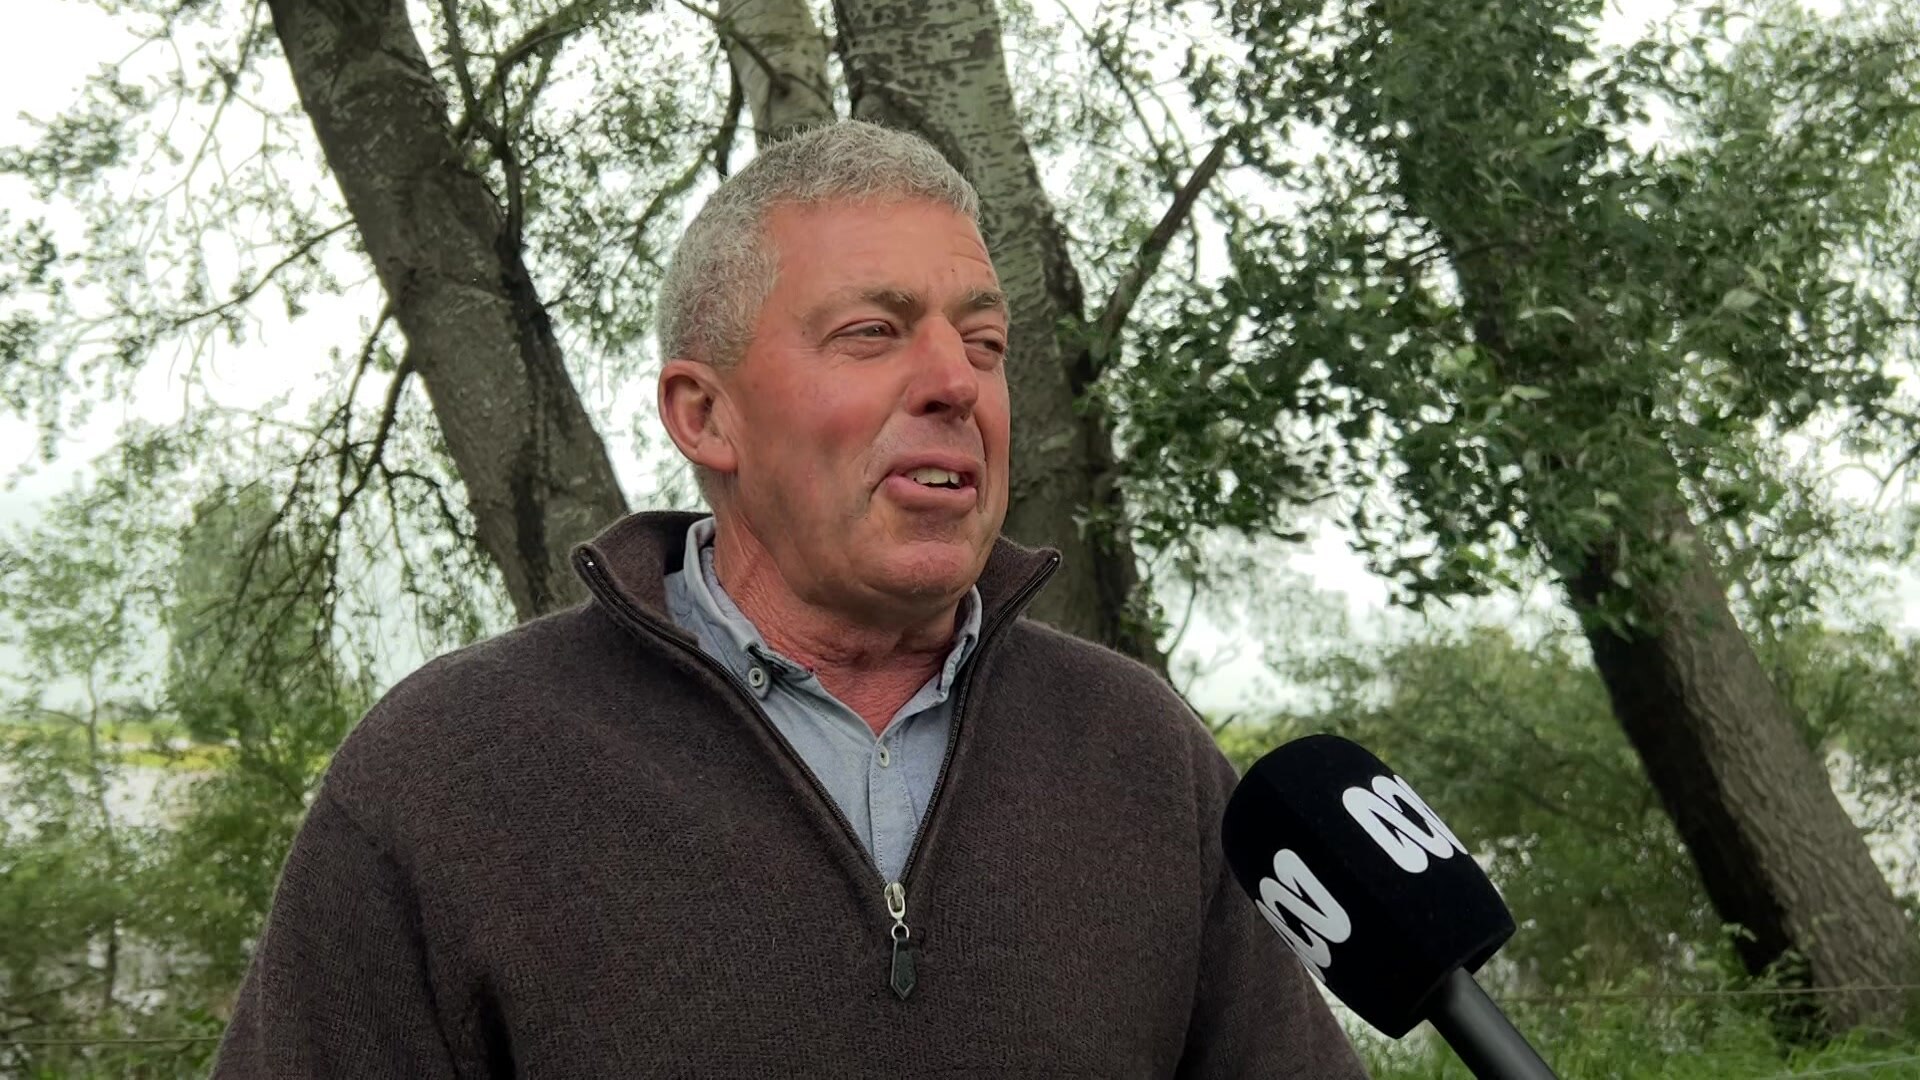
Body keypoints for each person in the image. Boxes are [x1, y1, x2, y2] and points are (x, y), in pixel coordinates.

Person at [212, 120, 1366, 1078]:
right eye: (873, 333)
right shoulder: (446, 775)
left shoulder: (1138, 752)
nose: (955, 383)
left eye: (985, 340)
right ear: (703, 415)